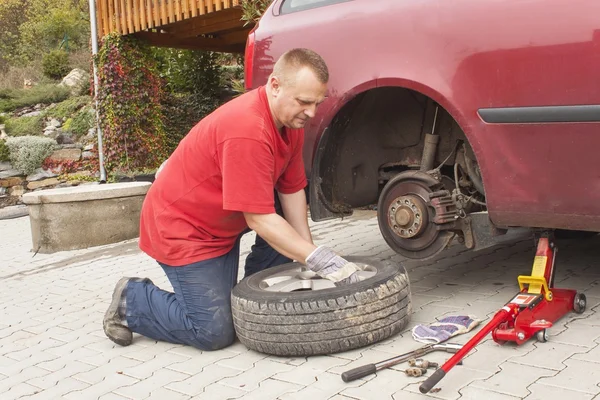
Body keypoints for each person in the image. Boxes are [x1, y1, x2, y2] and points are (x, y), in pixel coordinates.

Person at [103, 48, 360, 351]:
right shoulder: (248, 129)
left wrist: (310, 257)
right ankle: (131, 300)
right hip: (185, 229)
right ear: (275, 86)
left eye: (317, 103)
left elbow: (290, 192)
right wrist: (318, 258)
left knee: (278, 234)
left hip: (225, 218)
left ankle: (253, 297)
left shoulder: (290, 123)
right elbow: (259, 219)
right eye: (304, 102)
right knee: (214, 331)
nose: (312, 113)